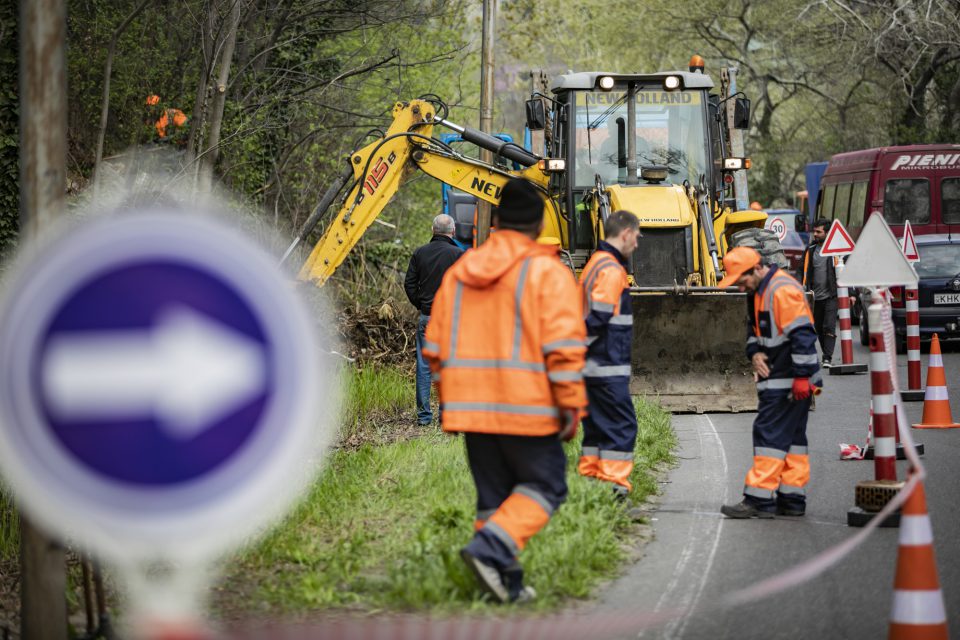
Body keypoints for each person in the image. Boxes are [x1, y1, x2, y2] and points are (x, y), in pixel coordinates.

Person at [422, 177, 587, 603]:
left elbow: (434, 348)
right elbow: (564, 350)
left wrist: (451, 400)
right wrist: (571, 407)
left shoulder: (461, 273)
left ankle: (504, 583)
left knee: (492, 500)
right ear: (538, 226)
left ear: (496, 222)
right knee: (547, 486)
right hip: (529, 409)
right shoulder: (547, 274)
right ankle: (489, 550)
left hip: (471, 410)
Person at [719, 247, 822, 519]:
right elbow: (755, 331)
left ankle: (758, 498)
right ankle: (792, 498)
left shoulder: (781, 290)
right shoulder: (758, 292)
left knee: (769, 435)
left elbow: (803, 335)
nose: (740, 288)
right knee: (793, 440)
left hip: (789, 379)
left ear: (756, 268)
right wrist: (754, 353)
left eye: (742, 280)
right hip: (784, 378)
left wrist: (802, 377)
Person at [578, 210, 641, 497]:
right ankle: (615, 489)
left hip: (592, 367)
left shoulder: (595, 263)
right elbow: (597, 319)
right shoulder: (612, 270)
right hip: (606, 366)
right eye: (636, 237)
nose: (636, 244)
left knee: (596, 429)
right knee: (622, 426)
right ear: (625, 234)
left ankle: (592, 487)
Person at [404, 213, 463, 425]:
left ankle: (423, 416)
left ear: (432, 230)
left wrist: (421, 304)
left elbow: (409, 284)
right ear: (453, 231)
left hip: (427, 317)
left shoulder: (420, 253)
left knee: (424, 366)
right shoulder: (459, 255)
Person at [800, 218, 838, 367]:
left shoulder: (835, 251)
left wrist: (851, 295)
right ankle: (826, 353)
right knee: (819, 328)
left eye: (818, 232)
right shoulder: (810, 250)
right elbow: (802, 271)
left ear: (827, 233)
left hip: (831, 296)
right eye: (814, 231)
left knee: (829, 326)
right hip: (815, 298)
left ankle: (827, 357)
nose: (815, 234)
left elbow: (846, 272)